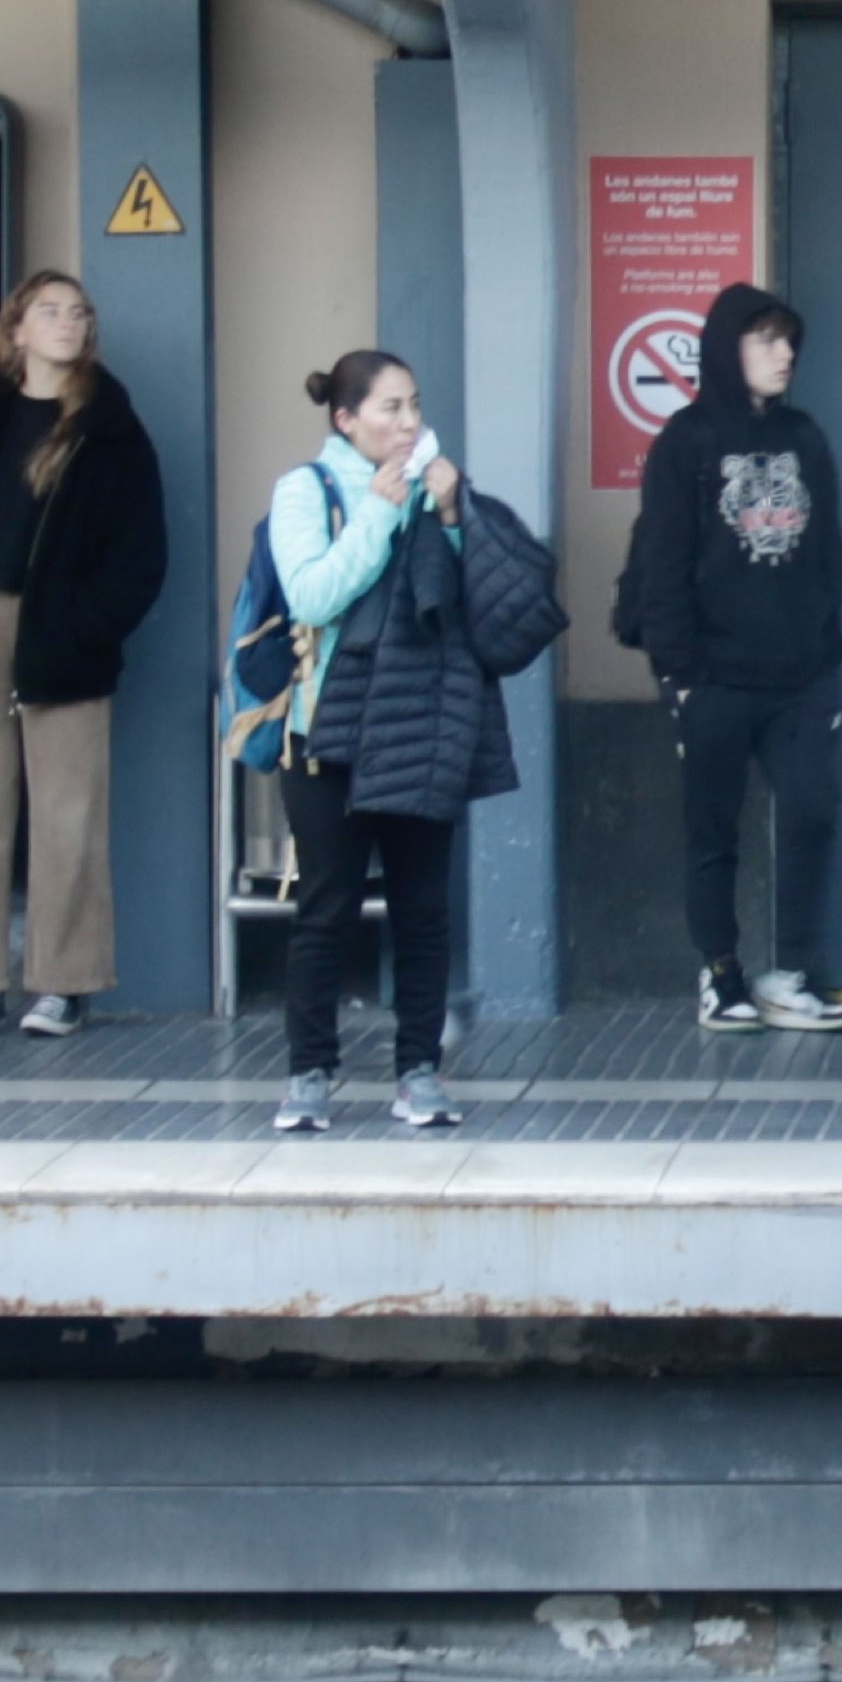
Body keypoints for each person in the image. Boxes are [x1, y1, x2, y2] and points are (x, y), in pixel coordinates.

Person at [0, 266, 169, 1038]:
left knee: (67, 815)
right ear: (15, 331)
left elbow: (141, 555)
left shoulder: (109, 427)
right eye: (49, 311)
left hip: (63, 637)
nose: (68, 323)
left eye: (79, 312)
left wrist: (85, 626)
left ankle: (63, 985)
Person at [265, 349, 512, 1136]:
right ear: (346, 421)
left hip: (424, 719)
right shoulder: (305, 490)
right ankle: (309, 1074)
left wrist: (452, 519)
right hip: (326, 730)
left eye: (414, 406)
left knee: (422, 909)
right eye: (390, 410)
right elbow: (311, 592)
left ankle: (419, 1070)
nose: (409, 424)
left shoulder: (439, 483)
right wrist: (378, 508)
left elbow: (482, 605)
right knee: (326, 907)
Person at [620, 279, 842, 1031]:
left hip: (800, 677)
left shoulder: (806, 437)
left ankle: (790, 973)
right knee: (711, 828)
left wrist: (825, 654)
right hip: (714, 677)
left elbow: (829, 554)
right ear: (729, 350)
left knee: (811, 814)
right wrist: (681, 677)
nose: (784, 353)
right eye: (766, 340)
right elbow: (662, 564)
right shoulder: (686, 442)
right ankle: (720, 976)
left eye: (788, 340)